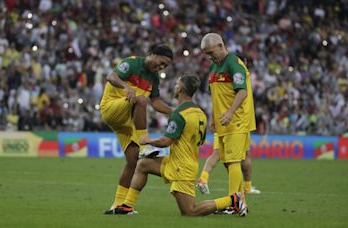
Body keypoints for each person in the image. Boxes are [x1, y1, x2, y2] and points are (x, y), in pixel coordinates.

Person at [104, 75, 247, 216]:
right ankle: (127, 206)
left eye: (176, 84)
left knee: (190, 211)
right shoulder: (201, 113)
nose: (175, 86)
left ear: (180, 89)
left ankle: (233, 199)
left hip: (181, 169)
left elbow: (166, 141)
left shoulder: (179, 114)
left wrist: (148, 141)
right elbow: (201, 141)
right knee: (143, 165)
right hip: (180, 162)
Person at [100, 45, 174, 210]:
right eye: (161, 63)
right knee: (141, 99)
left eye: (165, 66)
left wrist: (173, 111)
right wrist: (126, 87)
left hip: (127, 121)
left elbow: (155, 102)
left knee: (133, 162)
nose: (161, 67)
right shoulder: (132, 63)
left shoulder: (154, 77)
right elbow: (111, 76)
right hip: (111, 108)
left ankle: (118, 204)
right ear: (152, 54)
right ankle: (145, 144)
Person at [199, 33, 256, 207]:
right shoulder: (214, 67)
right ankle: (241, 203)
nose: (210, 57)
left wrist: (230, 112)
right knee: (228, 163)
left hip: (237, 120)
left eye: (211, 52)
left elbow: (242, 92)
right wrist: (214, 117)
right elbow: (216, 96)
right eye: (207, 54)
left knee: (233, 162)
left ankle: (234, 204)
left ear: (220, 45)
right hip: (223, 121)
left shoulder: (234, 64)